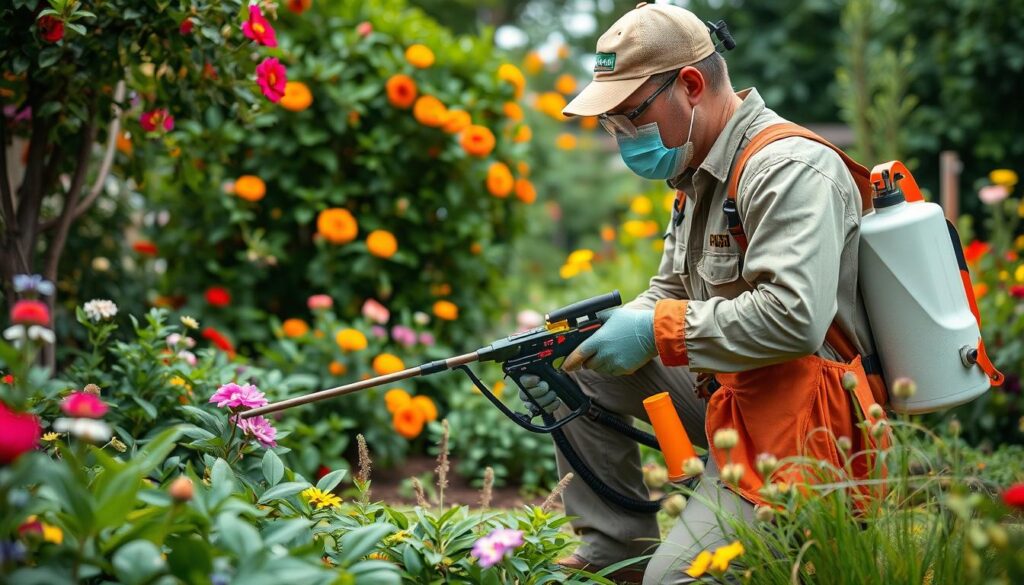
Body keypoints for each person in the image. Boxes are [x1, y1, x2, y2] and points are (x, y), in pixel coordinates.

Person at [517, 3, 886, 583]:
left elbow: (794, 319)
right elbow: (667, 289)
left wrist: (652, 330)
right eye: (609, 124)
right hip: (735, 399)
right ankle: (613, 552)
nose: (622, 136)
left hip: (808, 428)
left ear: (690, 85)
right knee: (576, 364)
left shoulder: (786, 169)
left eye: (629, 116)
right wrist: (585, 339)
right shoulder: (697, 172)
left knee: (680, 580)